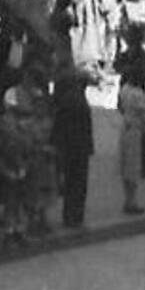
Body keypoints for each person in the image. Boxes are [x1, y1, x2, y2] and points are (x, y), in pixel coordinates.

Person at [52, 66, 93, 229]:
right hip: (78, 146)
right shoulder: (78, 102)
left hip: (70, 146)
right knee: (77, 183)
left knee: (70, 183)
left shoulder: (66, 100)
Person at [117, 62, 145, 215]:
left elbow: (119, 107)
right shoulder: (138, 94)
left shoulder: (124, 90)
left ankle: (127, 198)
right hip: (136, 131)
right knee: (134, 166)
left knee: (125, 166)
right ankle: (132, 201)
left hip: (125, 127)